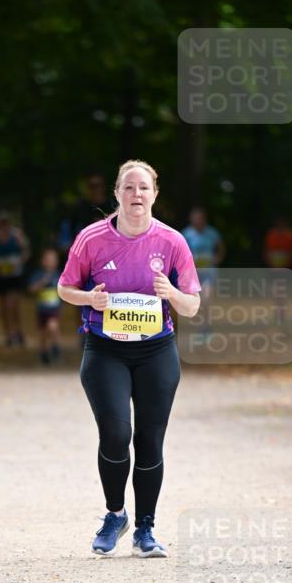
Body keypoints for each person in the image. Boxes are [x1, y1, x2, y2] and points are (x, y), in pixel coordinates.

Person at [57, 159, 200, 557]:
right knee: (117, 434)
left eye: (143, 188)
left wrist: (171, 293)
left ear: (155, 194)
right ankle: (115, 513)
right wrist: (90, 298)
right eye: (129, 188)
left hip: (156, 351)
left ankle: (145, 529)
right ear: (116, 193)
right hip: (105, 350)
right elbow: (65, 287)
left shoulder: (172, 242)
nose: (136, 195)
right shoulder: (92, 239)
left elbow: (191, 306)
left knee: (150, 440)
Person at [0, 210, 30, 346]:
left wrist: (17, 261)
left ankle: (19, 332)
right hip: (0, 276)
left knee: (14, 305)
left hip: (15, 276)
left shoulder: (17, 235)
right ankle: (9, 334)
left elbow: (26, 253)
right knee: (3, 307)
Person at [57, 173, 109, 255]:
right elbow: (67, 235)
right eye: (91, 186)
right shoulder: (78, 208)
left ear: (104, 187)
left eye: (97, 185)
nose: (95, 189)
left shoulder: (113, 206)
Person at [28, 248, 63, 365]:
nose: (50, 262)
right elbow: (31, 289)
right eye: (48, 259)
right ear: (42, 261)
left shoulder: (60, 275)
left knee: (53, 326)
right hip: (42, 309)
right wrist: (42, 282)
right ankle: (43, 353)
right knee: (42, 333)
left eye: (53, 259)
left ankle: (55, 347)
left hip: (54, 309)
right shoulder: (38, 274)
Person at [181, 206, 225, 296]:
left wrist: (219, 258)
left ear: (205, 219)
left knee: (207, 295)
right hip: (192, 270)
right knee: (193, 296)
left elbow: (221, 248)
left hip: (208, 269)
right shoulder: (186, 233)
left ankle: (207, 309)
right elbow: (180, 252)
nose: (198, 221)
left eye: (200, 218)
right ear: (191, 219)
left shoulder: (212, 232)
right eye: (195, 218)